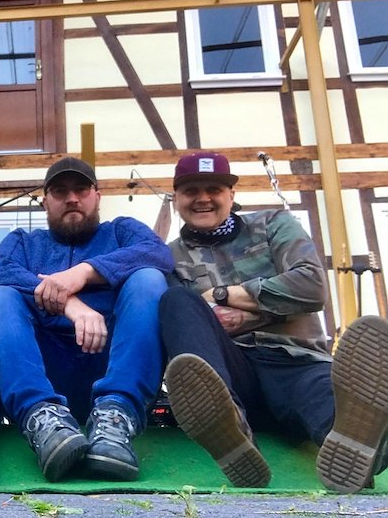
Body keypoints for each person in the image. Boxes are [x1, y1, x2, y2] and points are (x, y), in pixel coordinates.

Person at [159, 151, 388, 493]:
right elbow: (187, 322)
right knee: (176, 300)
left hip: (296, 361)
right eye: (191, 190)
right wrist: (276, 306)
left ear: (231, 194)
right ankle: (228, 428)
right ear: (176, 198)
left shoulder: (274, 224)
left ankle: (360, 447)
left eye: (214, 189)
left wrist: (224, 295)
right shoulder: (169, 257)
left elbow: (311, 287)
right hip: (232, 376)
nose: (203, 198)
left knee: (330, 404)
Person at [0, 157, 174, 482]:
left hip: (112, 363)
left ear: (97, 196)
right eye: (60, 191)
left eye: (81, 189)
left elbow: (158, 253)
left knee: (149, 278)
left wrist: (83, 272)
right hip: (45, 372)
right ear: (45, 201)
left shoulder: (122, 231)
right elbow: (2, 273)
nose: (72, 198)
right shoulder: (23, 242)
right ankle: (42, 419)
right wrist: (71, 303)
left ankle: (117, 417)